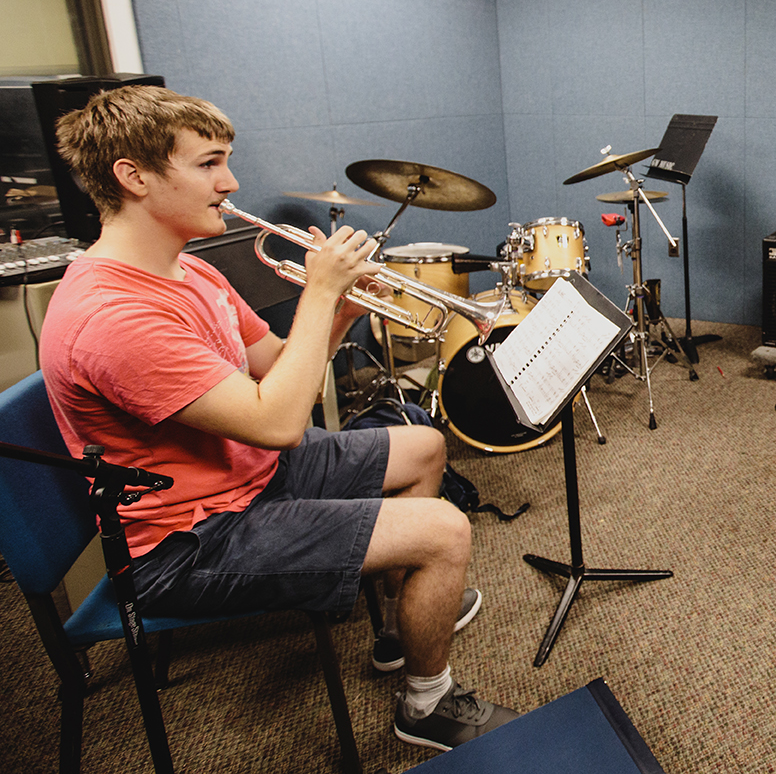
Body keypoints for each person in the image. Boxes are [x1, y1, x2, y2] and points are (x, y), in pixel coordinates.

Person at [37, 85, 516, 752]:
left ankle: (399, 628)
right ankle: (425, 704)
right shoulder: (113, 315)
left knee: (423, 446)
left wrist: (341, 308)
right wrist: (318, 290)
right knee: (443, 530)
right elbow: (277, 422)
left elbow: (277, 367)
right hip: (187, 541)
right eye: (207, 164)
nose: (230, 183)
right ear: (134, 176)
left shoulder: (188, 272)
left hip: (245, 474)